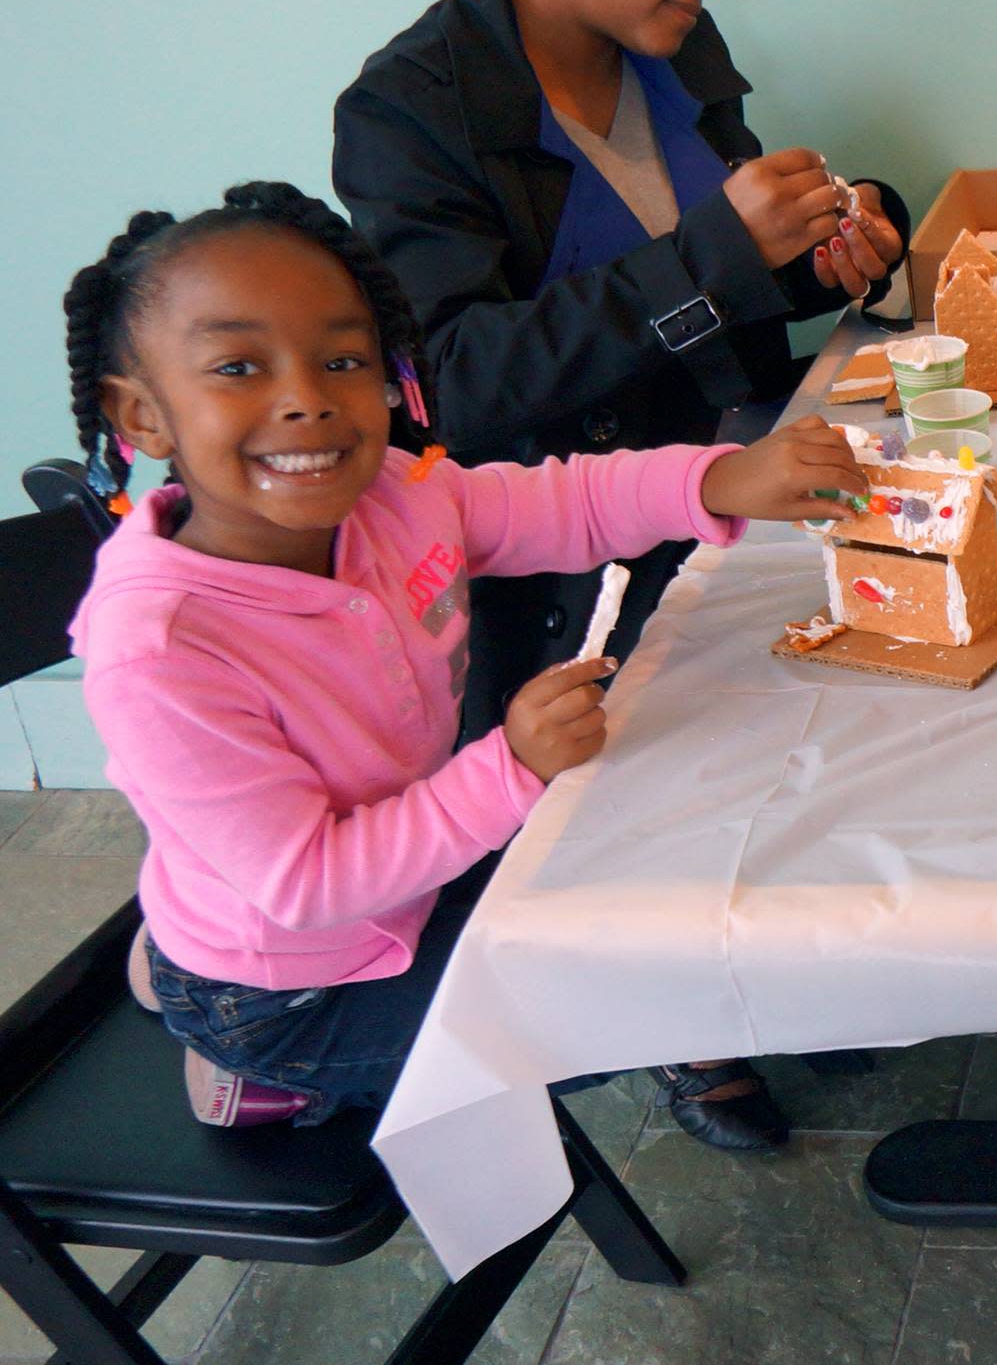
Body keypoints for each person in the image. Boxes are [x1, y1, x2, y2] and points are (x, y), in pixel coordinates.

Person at [333, 0, 908, 1143]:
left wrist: (835, 247)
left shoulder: (673, 56)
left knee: (908, 617)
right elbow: (461, 388)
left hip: (736, 448)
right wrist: (720, 252)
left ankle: (799, 949)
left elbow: (724, 284)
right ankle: (667, 1012)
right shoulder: (413, 111)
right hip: (567, 535)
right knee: (688, 732)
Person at [64, 181, 869, 1135]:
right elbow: (311, 883)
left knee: (664, 848)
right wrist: (512, 768)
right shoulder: (158, 650)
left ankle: (183, 932)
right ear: (142, 417)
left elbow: (561, 506)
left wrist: (723, 476)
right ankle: (251, 1056)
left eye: (343, 359)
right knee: (623, 1019)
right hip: (297, 990)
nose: (307, 403)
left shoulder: (396, 494)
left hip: (413, 881)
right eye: (239, 367)